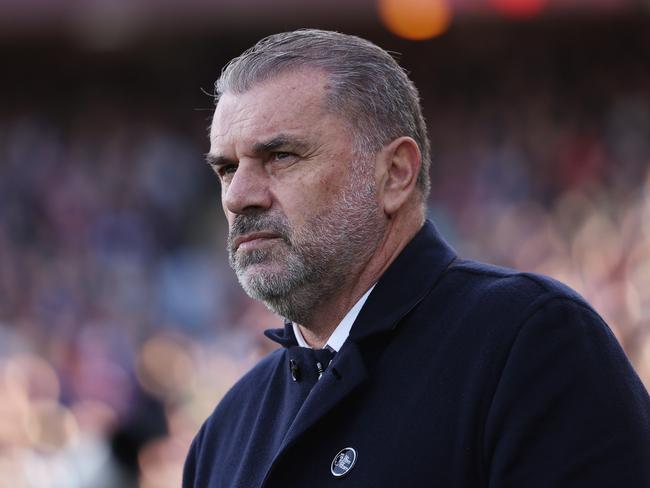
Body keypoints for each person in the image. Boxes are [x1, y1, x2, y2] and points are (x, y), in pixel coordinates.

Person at [183, 29, 649, 487]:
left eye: (280, 156)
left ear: (395, 174)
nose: (238, 196)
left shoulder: (528, 344)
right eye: (226, 169)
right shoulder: (224, 433)